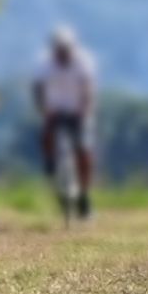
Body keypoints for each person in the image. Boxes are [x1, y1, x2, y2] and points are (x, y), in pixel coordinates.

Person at [32, 26, 96, 218]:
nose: (62, 53)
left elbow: (88, 89)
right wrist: (43, 109)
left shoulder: (83, 61)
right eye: (59, 49)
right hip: (55, 110)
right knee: (47, 135)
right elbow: (38, 88)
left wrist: (84, 110)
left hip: (77, 111)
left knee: (83, 150)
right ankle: (50, 162)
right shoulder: (45, 64)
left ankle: (84, 194)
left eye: (65, 48)